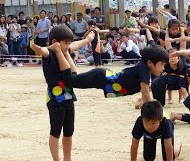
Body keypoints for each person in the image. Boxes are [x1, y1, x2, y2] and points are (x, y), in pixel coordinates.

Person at [30, 26, 79, 161]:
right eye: (65, 43)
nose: (67, 46)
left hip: (68, 97)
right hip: (55, 99)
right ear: (55, 41)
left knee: (69, 131)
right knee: (56, 131)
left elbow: (73, 74)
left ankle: (67, 159)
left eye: (69, 43)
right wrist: (49, 48)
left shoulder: (65, 53)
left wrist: (66, 50)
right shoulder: (49, 54)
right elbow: (42, 50)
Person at [70, 44, 169, 109]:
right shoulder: (144, 70)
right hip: (101, 77)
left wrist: (142, 101)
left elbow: (145, 94)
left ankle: (66, 56)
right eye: (162, 64)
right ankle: (65, 53)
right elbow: (146, 96)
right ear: (150, 62)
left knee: (72, 79)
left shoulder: (145, 69)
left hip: (105, 80)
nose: (163, 68)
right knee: (71, 81)